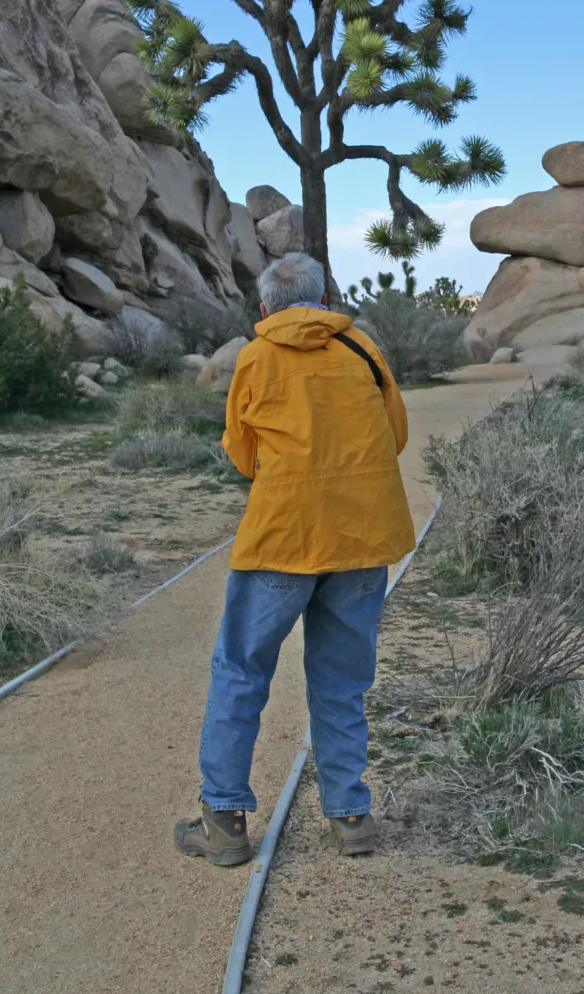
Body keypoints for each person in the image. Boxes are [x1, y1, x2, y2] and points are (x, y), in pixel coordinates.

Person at [174, 252, 414, 866]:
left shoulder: (256, 357)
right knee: (341, 680)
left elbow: (242, 452)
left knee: (241, 670)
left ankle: (225, 821)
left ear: (265, 307)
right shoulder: (362, 348)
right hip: (361, 536)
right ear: (325, 298)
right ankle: (350, 816)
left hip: (281, 538)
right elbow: (396, 434)